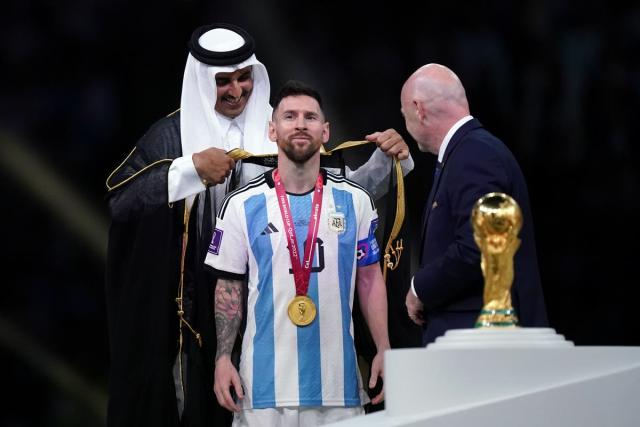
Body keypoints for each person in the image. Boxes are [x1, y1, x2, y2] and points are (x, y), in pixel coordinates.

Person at [105, 23, 411, 427]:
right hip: (194, 322)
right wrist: (191, 169)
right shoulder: (170, 138)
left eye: (244, 77)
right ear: (201, 80)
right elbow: (121, 200)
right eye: (223, 81)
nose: (236, 90)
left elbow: (336, 195)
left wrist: (392, 162)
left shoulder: (282, 129)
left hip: (272, 321)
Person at [206, 80, 390, 427]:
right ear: (272, 130)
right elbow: (228, 286)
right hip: (261, 391)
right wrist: (222, 358)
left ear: (325, 131)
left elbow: (370, 278)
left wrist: (383, 348)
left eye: (310, 117)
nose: (301, 124)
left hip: (339, 390)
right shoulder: (240, 205)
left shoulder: (356, 201)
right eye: (290, 116)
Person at [400, 63, 548, 345]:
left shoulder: (474, 155)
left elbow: (479, 246)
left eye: (403, 112)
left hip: (484, 344)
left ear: (418, 109)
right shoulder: (469, 152)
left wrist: (420, 287)